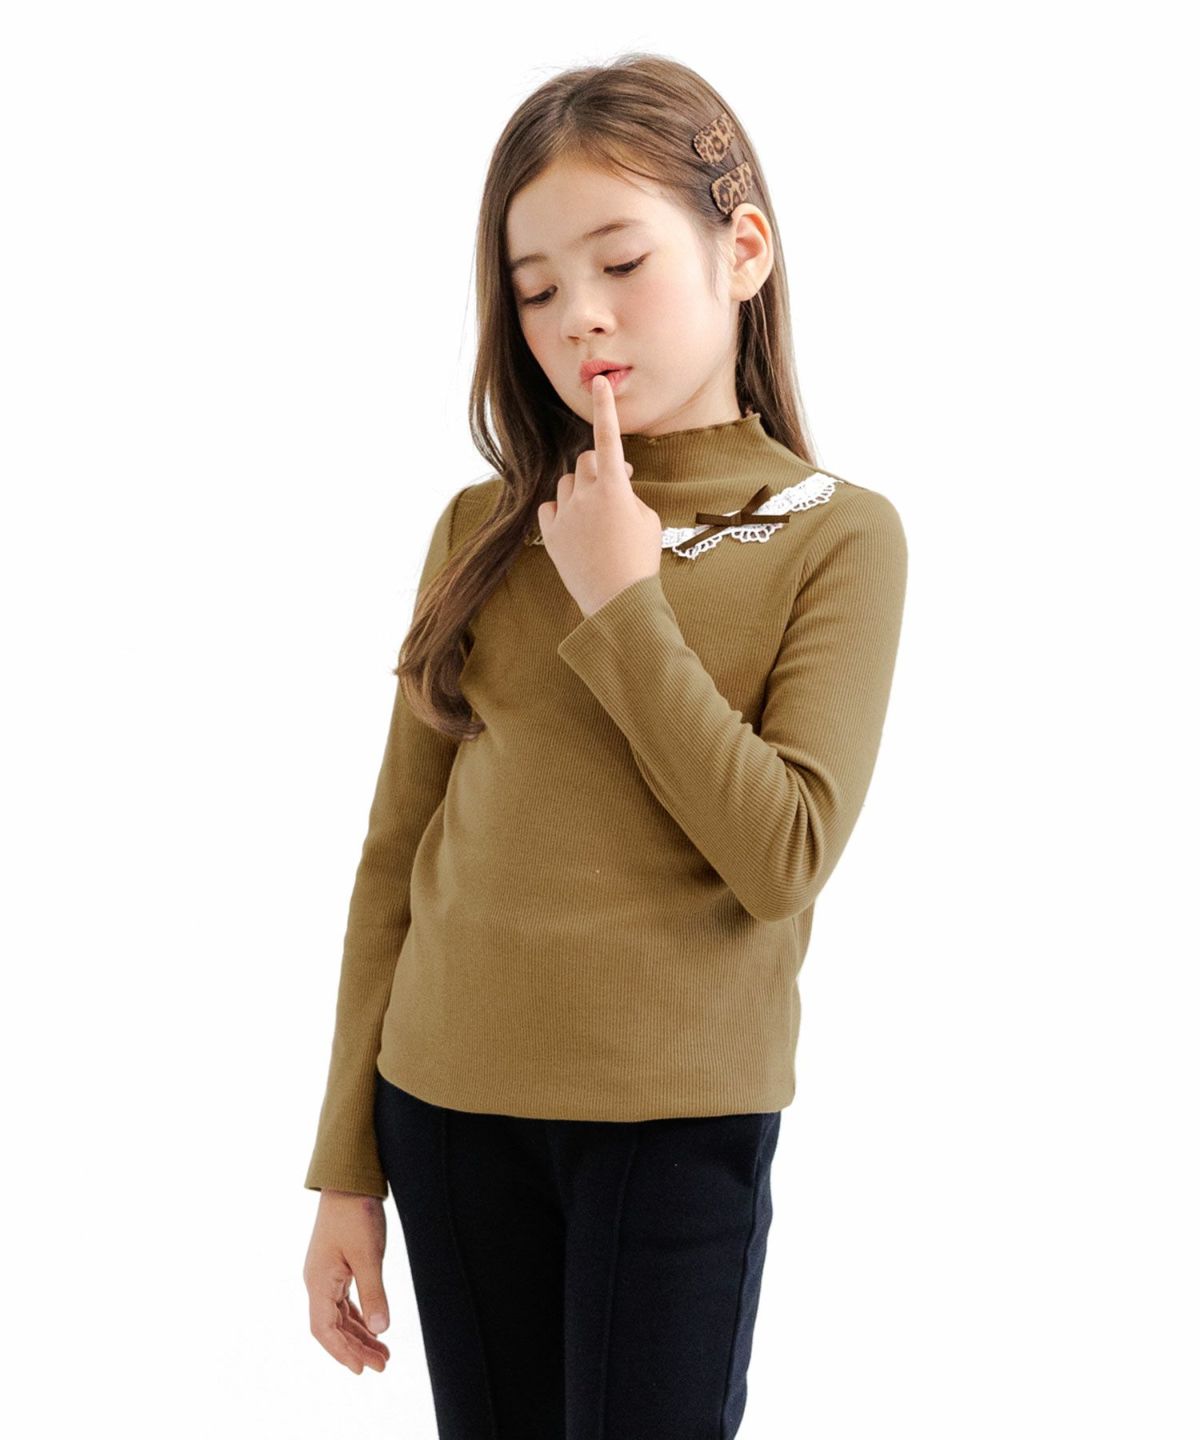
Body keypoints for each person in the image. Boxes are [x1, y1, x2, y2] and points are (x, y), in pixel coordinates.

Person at [301, 52, 908, 1440]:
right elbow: (396, 857)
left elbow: (783, 854)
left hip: (676, 1125)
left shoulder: (838, 536)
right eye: (534, 290)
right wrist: (346, 1167)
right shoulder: (481, 529)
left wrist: (624, 601)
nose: (580, 315)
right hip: (444, 1109)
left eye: (622, 262)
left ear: (743, 250)